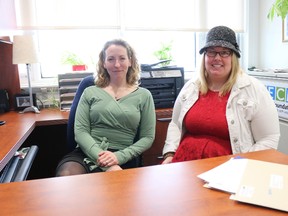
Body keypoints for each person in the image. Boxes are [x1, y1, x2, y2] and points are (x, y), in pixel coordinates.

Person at [162, 26, 280, 164]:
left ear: (233, 58)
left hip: (228, 170)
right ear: (205, 56)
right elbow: (176, 124)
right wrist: (169, 154)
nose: (217, 58)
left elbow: (269, 138)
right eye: (211, 52)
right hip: (183, 164)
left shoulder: (254, 89)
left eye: (224, 52)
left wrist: (243, 164)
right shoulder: (191, 87)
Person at [56, 39, 156, 176]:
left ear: (130, 61)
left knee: (115, 191)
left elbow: (147, 138)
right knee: (67, 176)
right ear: (103, 62)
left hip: (124, 155)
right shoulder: (90, 91)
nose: (117, 64)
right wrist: (100, 156)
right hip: (87, 152)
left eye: (122, 58)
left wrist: (118, 157)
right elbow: (80, 132)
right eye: (111, 59)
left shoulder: (144, 96)